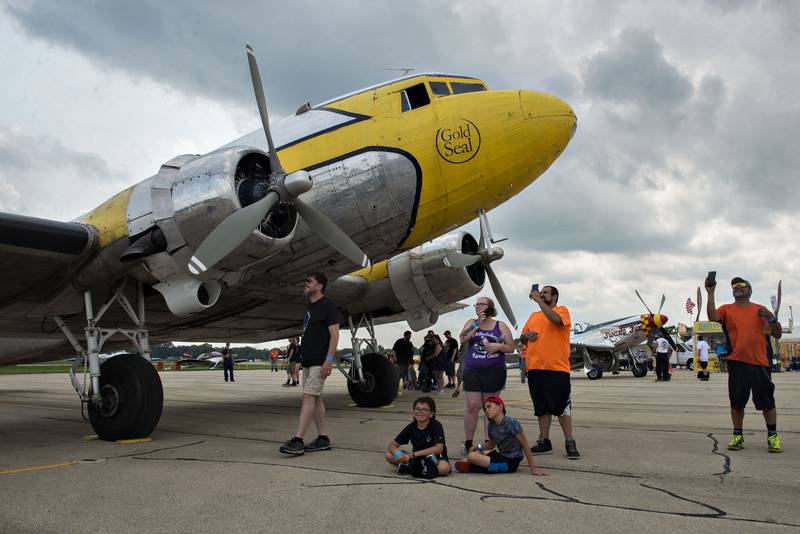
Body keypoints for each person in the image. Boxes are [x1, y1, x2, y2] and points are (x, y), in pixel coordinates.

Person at [705, 276, 783, 453]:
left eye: (741, 285)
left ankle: (773, 436)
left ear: (750, 289)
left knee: (768, 402)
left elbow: (777, 334)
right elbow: (712, 316)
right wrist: (711, 293)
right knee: (737, 403)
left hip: (760, 364)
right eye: (734, 286)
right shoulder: (727, 309)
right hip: (737, 364)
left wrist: (771, 318)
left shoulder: (760, 311)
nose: (737, 288)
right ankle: (738, 436)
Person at [280, 273, 339, 456]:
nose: (305, 284)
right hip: (309, 360)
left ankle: (298, 440)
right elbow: (307, 336)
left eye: (309, 281)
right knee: (316, 398)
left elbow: (335, 335)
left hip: (320, 361)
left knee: (308, 398)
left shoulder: (328, 305)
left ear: (319, 286)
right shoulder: (309, 308)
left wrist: (328, 360)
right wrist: (299, 359)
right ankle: (323, 438)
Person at [521, 285, 580, 459]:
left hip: (556, 368)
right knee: (541, 408)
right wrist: (526, 336)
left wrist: (539, 301)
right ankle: (544, 441)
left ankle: (570, 441)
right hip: (536, 368)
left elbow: (555, 319)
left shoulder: (562, 310)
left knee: (562, 407)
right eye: (541, 293)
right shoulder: (534, 316)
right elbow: (523, 336)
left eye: (545, 293)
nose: (541, 294)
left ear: (554, 296)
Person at [458, 296, 515, 456]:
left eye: (482, 304)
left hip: (494, 371)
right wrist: (477, 323)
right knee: (472, 405)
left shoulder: (500, 325)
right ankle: (468, 443)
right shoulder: (472, 323)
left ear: (490, 308)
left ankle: (487, 444)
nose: (478, 306)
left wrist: (498, 346)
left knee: (489, 408)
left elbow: (511, 347)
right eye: (476, 304)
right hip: (472, 371)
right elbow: (463, 338)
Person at [455, 395, 544, 476]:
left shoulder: (511, 422)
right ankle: (477, 464)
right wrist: (476, 447)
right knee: (479, 452)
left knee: (472, 456)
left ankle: (473, 467)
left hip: (511, 460)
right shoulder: (491, 425)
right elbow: (491, 444)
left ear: (500, 407)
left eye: (489, 406)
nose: (487, 410)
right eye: (485, 408)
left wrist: (533, 469)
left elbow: (525, 445)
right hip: (501, 455)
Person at [384, 396, 451, 478]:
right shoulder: (411, 427)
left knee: (444, 468)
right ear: (413, 412)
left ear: (431, 414)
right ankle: (416, 467)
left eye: (425, 410)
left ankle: (408, 468)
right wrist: (398, 454)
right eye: (418, 409)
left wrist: (416, 454)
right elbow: (392, 445)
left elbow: (439, 448)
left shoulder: (436, 426)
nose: (420, 412)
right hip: (415, 458)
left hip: (434, 457)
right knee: (389, 456)